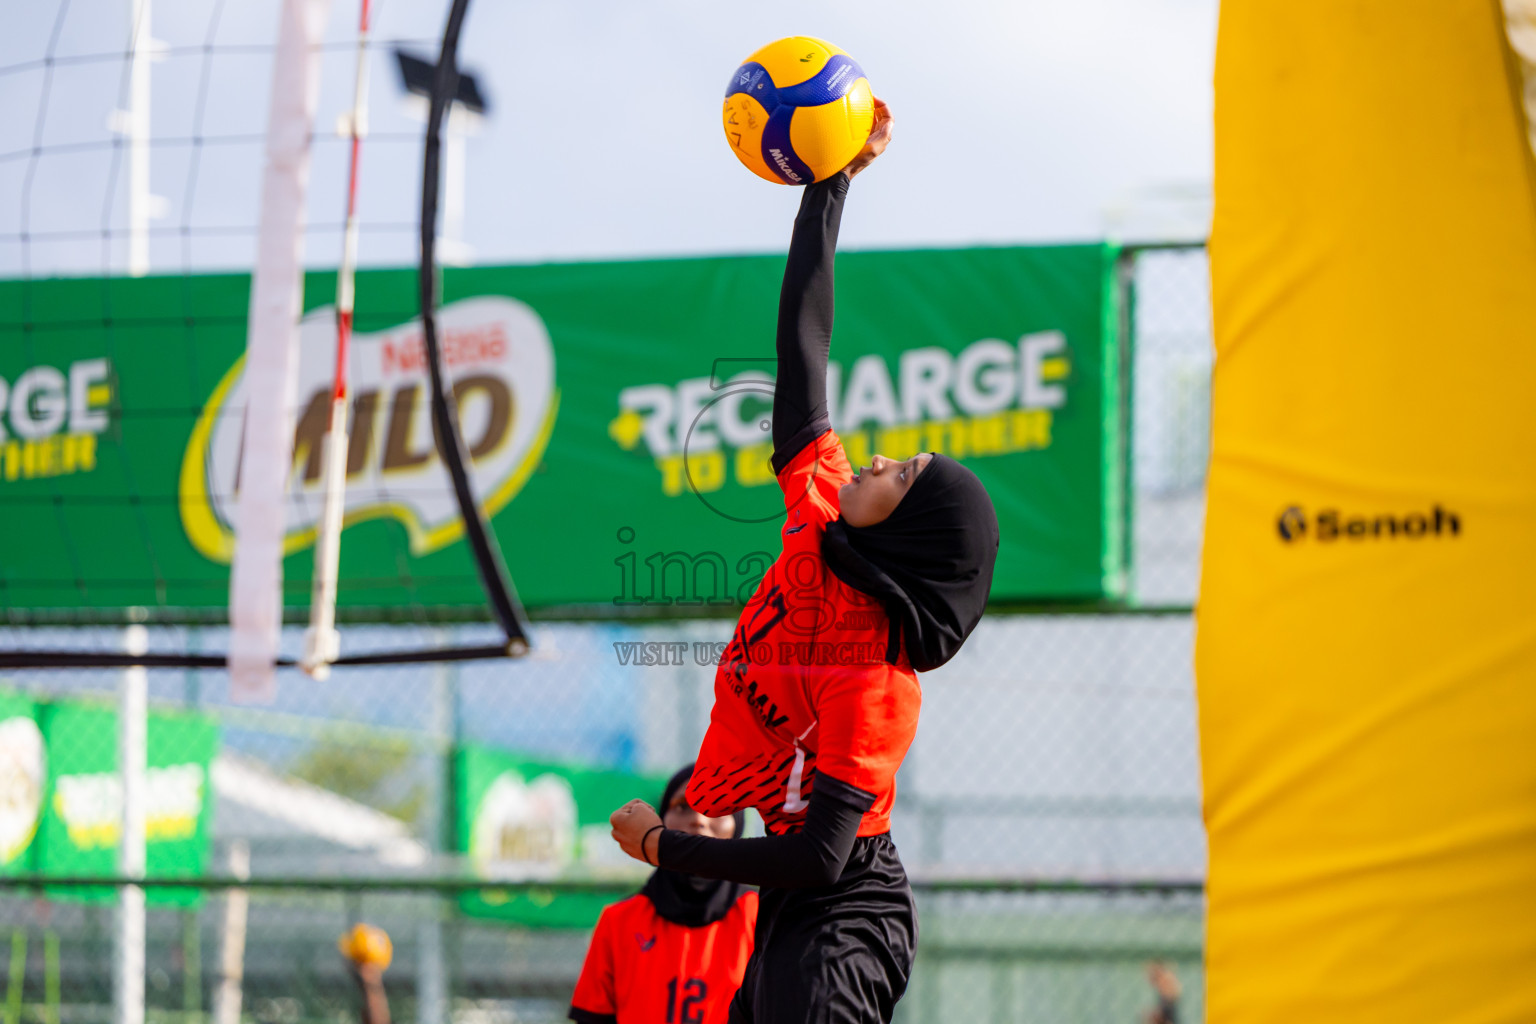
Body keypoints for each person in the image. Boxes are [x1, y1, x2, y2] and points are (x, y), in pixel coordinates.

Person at [610, 99, 1000, 1024]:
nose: (877, 457)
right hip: (788, 900)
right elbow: (804, 345)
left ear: (905, 531)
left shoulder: (877, 681)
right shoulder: (820, 513)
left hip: (846, 906)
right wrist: (828, 184)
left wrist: (669, 849)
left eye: (901, 473)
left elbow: (823, 856)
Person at [571, 764, 757, 1024]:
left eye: (718, 808)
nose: (698, 819)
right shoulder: (619, 921)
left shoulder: (763, 919)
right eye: (682, 806)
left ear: (737, 826)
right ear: (660, 822)